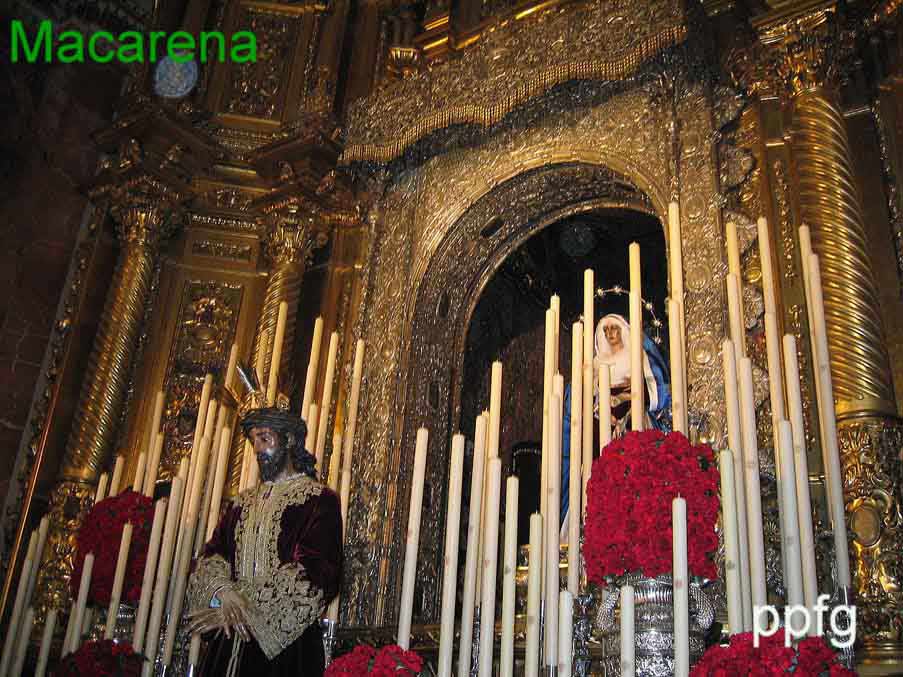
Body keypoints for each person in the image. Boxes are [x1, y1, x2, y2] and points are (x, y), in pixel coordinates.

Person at [187, 388, 342, 677]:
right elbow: (212, 555)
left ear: (289, 440)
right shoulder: (241, 503)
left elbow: (318, 572)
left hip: (286, 648)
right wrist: (223, 593)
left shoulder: (318, 500)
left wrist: (243, 608)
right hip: (228, 641)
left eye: (265, 438)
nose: (257, 449)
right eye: (253, 441)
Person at [560, 313, 671, 526]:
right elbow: (582, 402)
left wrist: (631, 397)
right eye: (606, 330)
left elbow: (657, 392)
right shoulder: (595, 365)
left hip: (634, 427)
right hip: (601, 434)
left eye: (614, 328)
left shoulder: (637, 359)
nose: (611, 333)